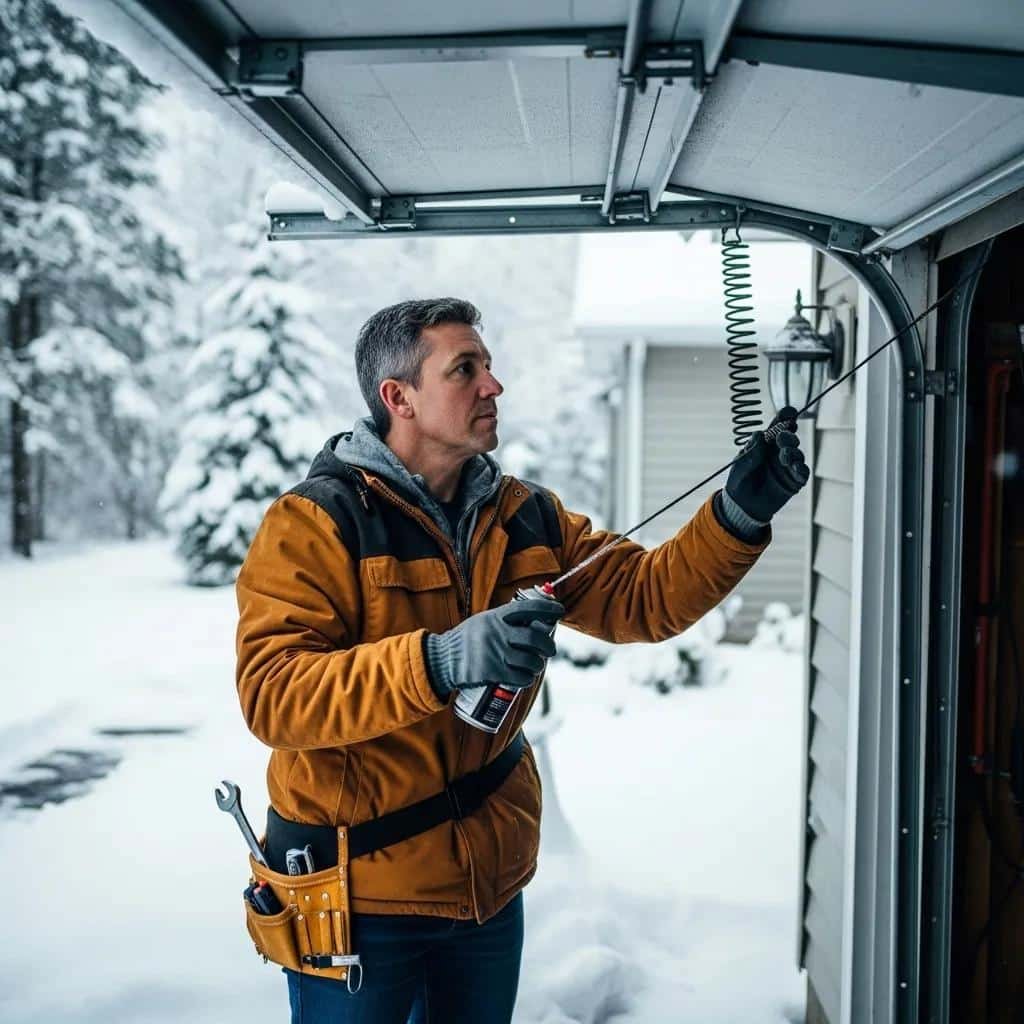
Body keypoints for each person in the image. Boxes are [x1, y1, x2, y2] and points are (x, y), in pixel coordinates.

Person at [234, 297, 809, 1023]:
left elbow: (644, 598)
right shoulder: (318, 523)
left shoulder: (524, 515)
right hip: (359, 903)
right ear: (398, 398)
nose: (492, 386)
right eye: (464, 369)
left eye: (490, 366)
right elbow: (275, 697)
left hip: (486, 893)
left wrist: (737, 515)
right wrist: (439, 661)